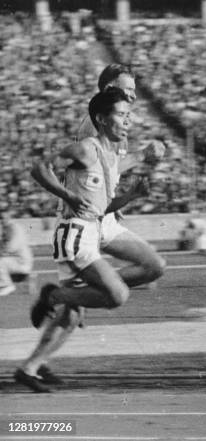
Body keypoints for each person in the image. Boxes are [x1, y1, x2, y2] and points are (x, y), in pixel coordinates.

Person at [15, 88, 164, 393]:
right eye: (122, 115)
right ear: (102, 119)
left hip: (88, 233)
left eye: (128, 115)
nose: (128, 121)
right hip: (74, 237)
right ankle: (53, 296)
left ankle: (29, 368)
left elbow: (100, 208)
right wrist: (66, 193)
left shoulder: (109, 158)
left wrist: (131, 196)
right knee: (117, 295)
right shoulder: (86, 149)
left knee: (71, 318)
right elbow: (39, 167)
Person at [0, 210, 33, 296]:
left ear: (9, 218)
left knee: (1, 262)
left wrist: (2, 251)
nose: (2, 221)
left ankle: (7, 286)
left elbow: (12, 247)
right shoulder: (9, 228)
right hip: (16, 261)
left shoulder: (13, 228)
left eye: (3, 218)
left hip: (21, 263)